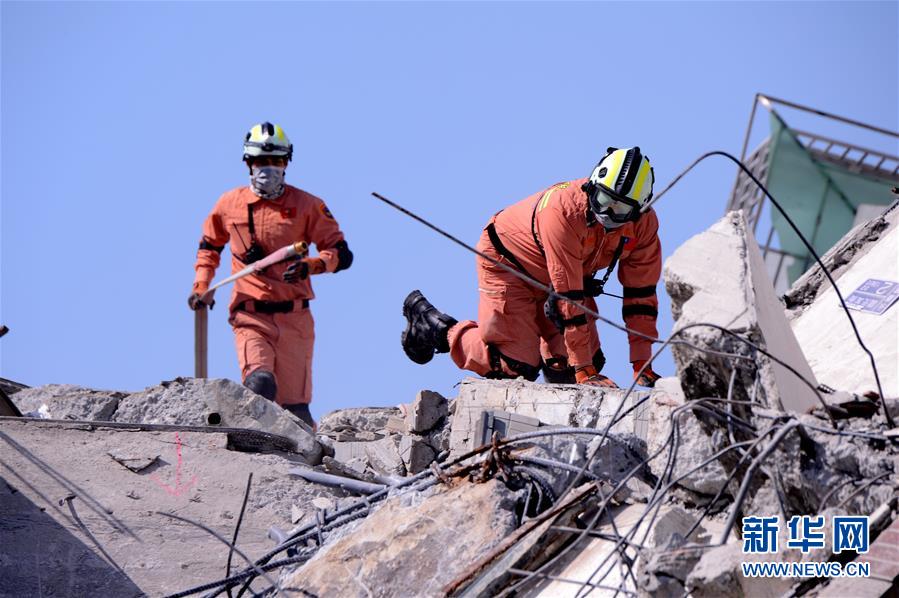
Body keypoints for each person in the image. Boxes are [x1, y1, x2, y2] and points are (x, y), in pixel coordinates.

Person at [401, 147, 662, 388]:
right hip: (509, 265)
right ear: (593, 185)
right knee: (515, 365)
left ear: (639, 211)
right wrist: (585, 370)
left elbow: (641, 296)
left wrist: (642, 361)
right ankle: (435, 327)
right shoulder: (564, 212)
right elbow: (568, 300)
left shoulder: (643, 227)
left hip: (561, 279)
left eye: (620, 209)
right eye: (604, 199)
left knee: (572, 366)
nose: (607, 212)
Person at [188, 122, 353, 428]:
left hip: (295, 320)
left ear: (287, 163)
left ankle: (297, 467)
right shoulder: (228, 205)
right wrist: (202, 285)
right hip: (250, 315)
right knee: (260, 385)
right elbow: (209, 247)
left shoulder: (307, 205)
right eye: (262, 162)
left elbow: (342, 253)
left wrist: (313, 265)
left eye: (276, 161)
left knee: (297, 414)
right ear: (249, 163)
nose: (269, 168)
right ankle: (247, 448)